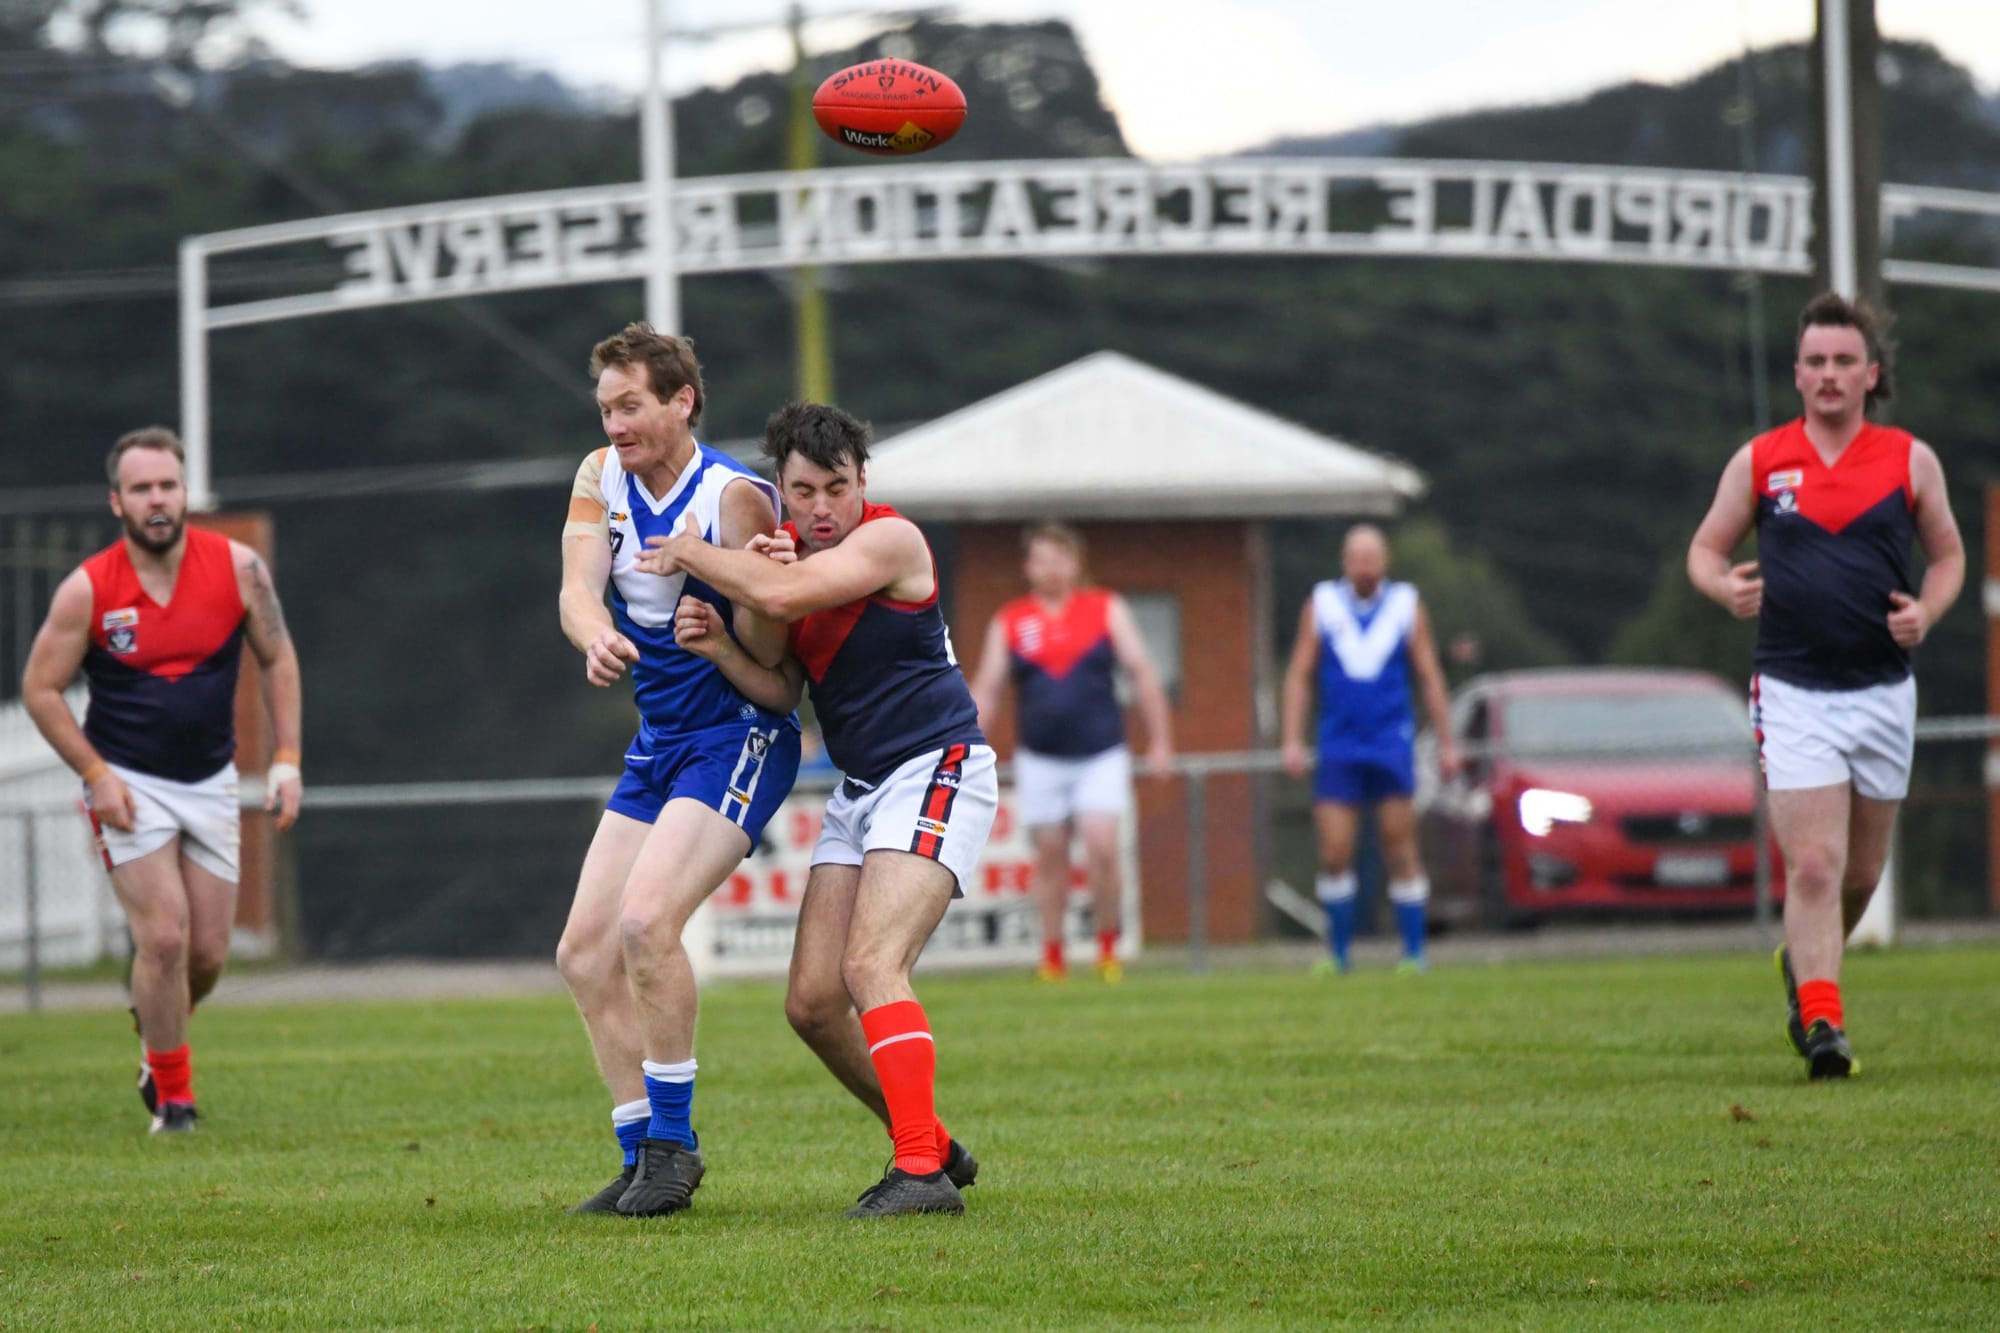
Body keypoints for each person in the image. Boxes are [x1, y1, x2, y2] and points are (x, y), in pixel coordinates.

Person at [644, 401, 994, 1218]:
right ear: (781, 488)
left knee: (872, 965)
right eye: (804, 492)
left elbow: (794, 587)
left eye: (838, 487)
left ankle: (919, 1173)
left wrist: (697, 550)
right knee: (810, 1002)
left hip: (935, 764)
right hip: (862, 788)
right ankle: (933, 1142)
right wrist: (720, 641)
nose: (823, 508)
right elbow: (778, 685)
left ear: (863, 482)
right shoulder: (781, 557)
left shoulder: (891, 540)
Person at [554, 323, 803, 1217]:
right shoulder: (600, 475)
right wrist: (597, 635)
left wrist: (728, 613)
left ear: (681, 400)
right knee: (583, 953)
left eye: (631, 406)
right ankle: (638, 1154)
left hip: (737, 734)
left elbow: (780, 637)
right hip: (660, 740)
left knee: (646, 922)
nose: (616, 425)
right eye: (607, 408)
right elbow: (577, 588)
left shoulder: (736, 497)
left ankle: (673, 1147)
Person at [1687, 292, 1962, 1081]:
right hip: (1794, 686)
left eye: (1845, 361)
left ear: (1871, 373)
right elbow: (1704, 550)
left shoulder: (1909, 459)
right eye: (1817, 361)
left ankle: (1804, 971)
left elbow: (1947, 556)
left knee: (1859, 877)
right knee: (1812, 866)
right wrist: (1724, 589)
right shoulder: (1762, 459)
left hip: (1881, 689)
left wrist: (1928, 609)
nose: (1831, 374)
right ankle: (1823, 1025)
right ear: (1798, 374)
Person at [20, 426, 304, 1134]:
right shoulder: (88, 589)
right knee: (167, 939)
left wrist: (288, 757)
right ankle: (175, 1103)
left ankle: (157, 1035)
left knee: (207, 954)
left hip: (209, 778)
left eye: (168, 486)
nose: (157, 500)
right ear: (117, 501)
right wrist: (95, 775)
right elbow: (41, 689)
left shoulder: (239, 570)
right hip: (125, 780)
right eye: (142, 488)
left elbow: (278, 657)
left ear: (186, 494)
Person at [966, 523, 1174, 983]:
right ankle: (1053, 956)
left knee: (1102, 847)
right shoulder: (1012, 620)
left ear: (1075, 564)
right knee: (1051, 856)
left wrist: (1161, 740)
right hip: (1040, 757)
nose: (1050, 568)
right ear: (1028, 567)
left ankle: (1106, 949)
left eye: (1059, 558)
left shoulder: (1105, 608)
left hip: (1100, 753)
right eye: (1040, 559)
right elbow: (989, 688)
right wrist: (967, 748)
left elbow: (1141, 672)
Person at [1279, 525, 1456, 974]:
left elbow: (1430, 675)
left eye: (1371, 558)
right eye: (1356, 558)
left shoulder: (1405, 606)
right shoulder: (1321, 605)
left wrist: (1447, 742)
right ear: (1344, 561)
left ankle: (1413, 953)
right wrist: (1292, 738)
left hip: (1390, 741)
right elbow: (1299, 675)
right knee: (1335, 851)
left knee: (1400, 846)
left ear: (1385, 561)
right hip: (1339, 743)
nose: (1364, 567)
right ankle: (1338, 953)